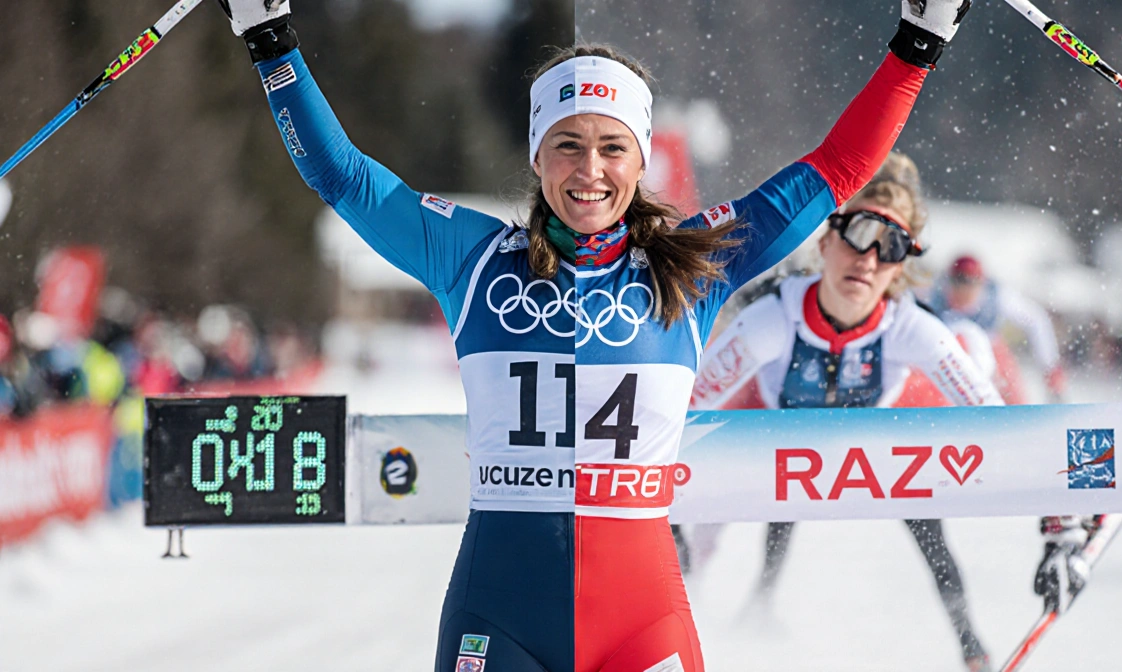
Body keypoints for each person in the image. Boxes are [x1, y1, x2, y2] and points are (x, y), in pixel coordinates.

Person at [217, 0, 974, 669]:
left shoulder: (694, 264)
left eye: (613, 147)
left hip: (640, 624)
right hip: (500, 617)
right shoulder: (473, 259)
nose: (590, 170)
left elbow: (836, 170)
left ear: (640, 160)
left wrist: (919, 42)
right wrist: (268, 35)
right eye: (568, 145)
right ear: (537, 155)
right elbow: (346, 180)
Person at [686, 153, 998, 671]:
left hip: (869, 431)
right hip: (772, 426)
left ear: (901, 266)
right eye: (858, 234)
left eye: (891, 245)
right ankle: (700, 612)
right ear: (826, 242)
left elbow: (998, 420)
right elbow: (681, 409)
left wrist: (1060, 510)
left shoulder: (909, 327)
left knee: (927, 519)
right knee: (713, 512)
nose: (868, 259)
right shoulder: (774, 318)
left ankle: (972, 644)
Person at [928, 254, 1066, 403]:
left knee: (1010, 391)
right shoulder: (933, 297)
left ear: (981, 284)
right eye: (957, 284)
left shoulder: (998, 296)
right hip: (951, 353)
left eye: (969, 284)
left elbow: (1036, 320)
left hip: (993, 351)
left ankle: (1017, 416)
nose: (962, 292)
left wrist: (1050, 366)